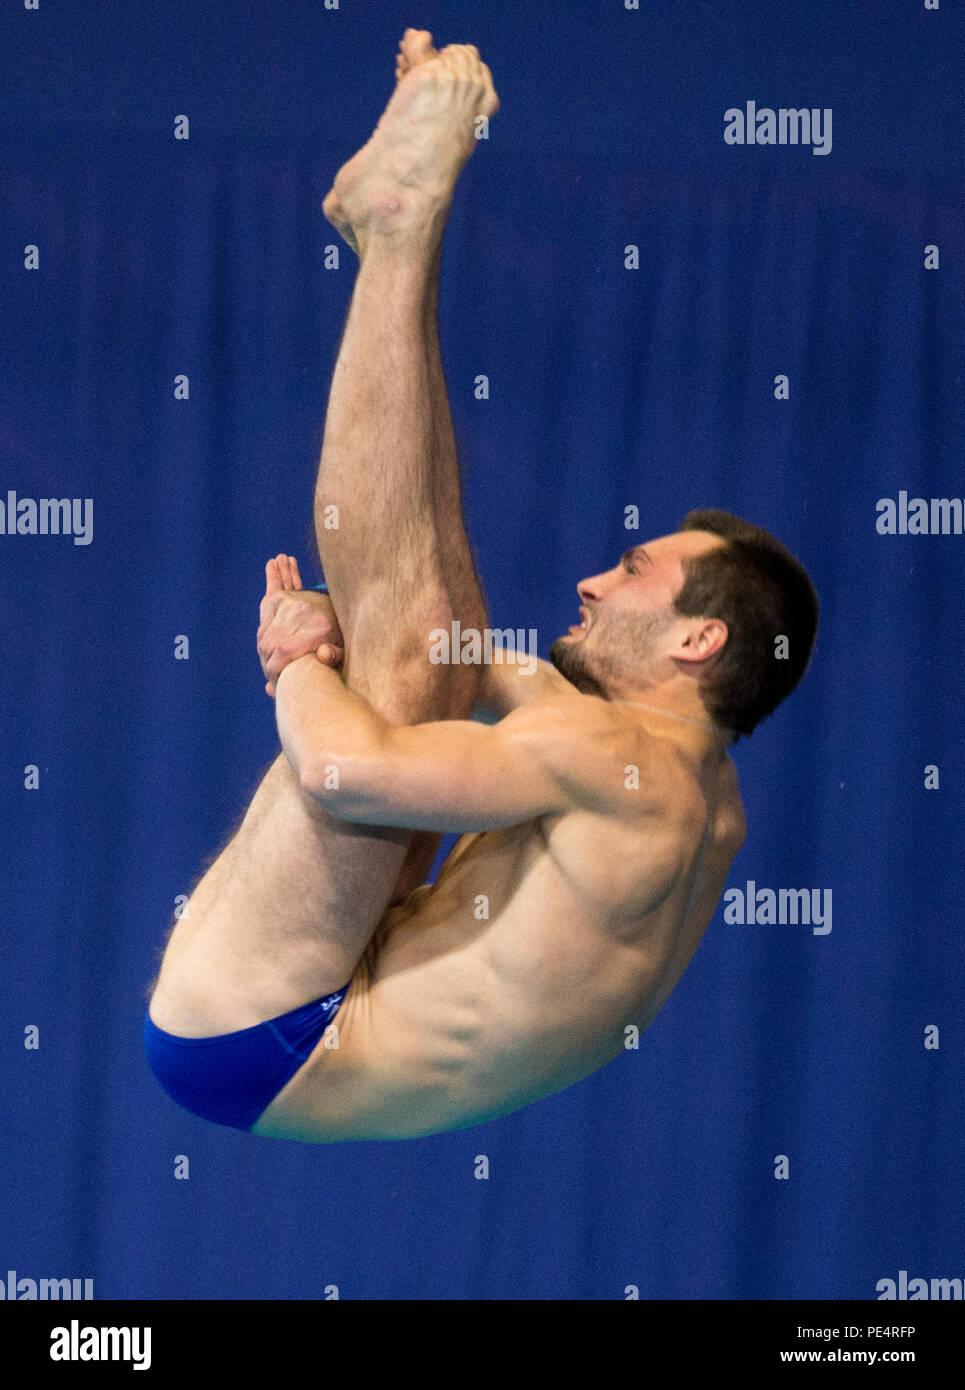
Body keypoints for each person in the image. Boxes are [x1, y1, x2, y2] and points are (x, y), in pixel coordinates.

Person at [144, 30, 818, 1142]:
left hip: (256, 1031)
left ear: (698, 641)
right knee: (442, 640)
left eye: (635, 571)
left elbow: (338, 763)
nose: (593, 579)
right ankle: (395, 232)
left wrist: (298, 657)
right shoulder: (698, 798)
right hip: (309, 1023)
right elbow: (480, 659)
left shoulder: (613, 761)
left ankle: (398, 235)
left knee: (405, 655)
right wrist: (361, 642)